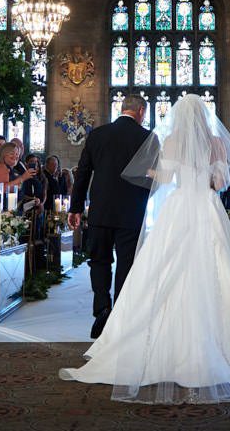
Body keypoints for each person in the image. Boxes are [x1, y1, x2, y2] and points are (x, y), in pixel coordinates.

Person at [60, 94, 230, 402]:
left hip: (176, 208)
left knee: (163, 267)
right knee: (217, 266)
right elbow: (220, 182)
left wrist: (154, 173)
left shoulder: (170, 141)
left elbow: (162, 178)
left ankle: (124, 326)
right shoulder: (216, 143)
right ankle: (229, 344)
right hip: (205, 208)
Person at [68, 94, 152, 339]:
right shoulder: (147, 137)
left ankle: (102, 309)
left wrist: (75, 208)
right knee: (126, 263)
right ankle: (121, 316)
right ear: (141, 111)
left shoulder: (97, 135)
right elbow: (151, 178)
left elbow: (82, 174)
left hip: (101, 210)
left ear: (123, 109)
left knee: (99, 260)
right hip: (132, 211)